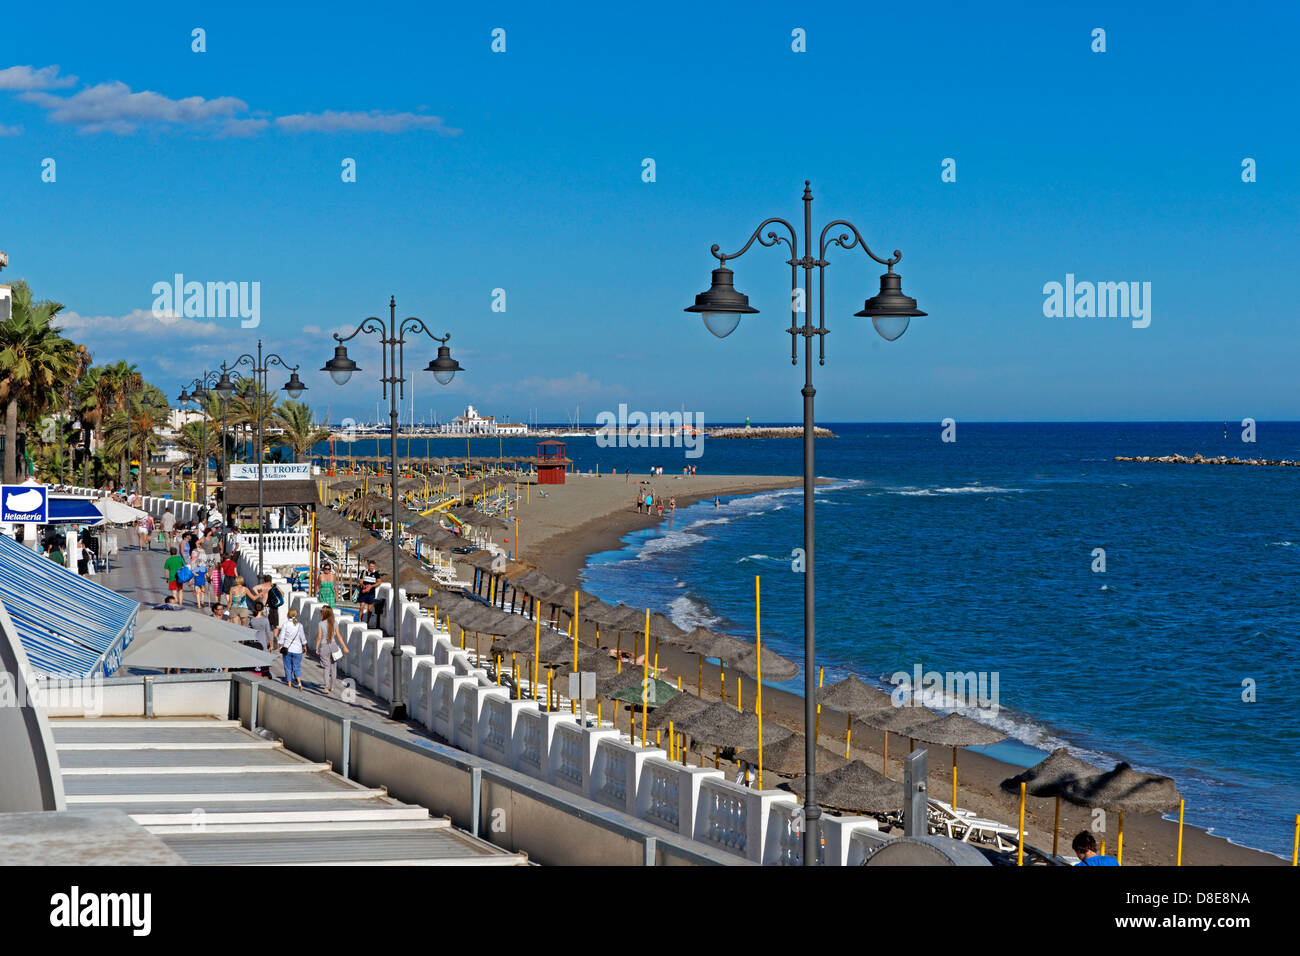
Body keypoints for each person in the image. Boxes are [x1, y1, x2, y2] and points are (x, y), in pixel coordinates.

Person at [315, 605, 347, 695]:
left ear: (323, 613)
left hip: (324, 646)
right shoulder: (335, 623)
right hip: (333, 646)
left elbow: (319, 637)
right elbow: (339, 636)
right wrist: (344, 647)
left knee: (326, 667)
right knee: (333, 667)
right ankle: (332, 686)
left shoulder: (320, 624)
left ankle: (326, 686)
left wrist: (317, 647)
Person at [278, 607, 307, 691]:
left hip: (287, 649)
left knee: (288, 667)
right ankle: (299, 683)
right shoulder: (299, 625)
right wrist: (304, 646)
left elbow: (281, 636)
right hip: (298, 650)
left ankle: (289, 684)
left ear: (288, 615)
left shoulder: (286, 624)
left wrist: (280, 645)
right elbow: (303, 637)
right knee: (296, 667)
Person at [357, 561, 380, 626]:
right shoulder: (364, 572)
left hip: (371, 593)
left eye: (373, 566)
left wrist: (371, 586)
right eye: (370, 566)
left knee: (370, 608)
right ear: (368, 566)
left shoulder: (376, 573)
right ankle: (360, 620)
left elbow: (379, 582)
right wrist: (365, 587)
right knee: (361, 606)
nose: (371, 568)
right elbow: (360, 581)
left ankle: (367, 622)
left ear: (374, 566)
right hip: (364, 592)